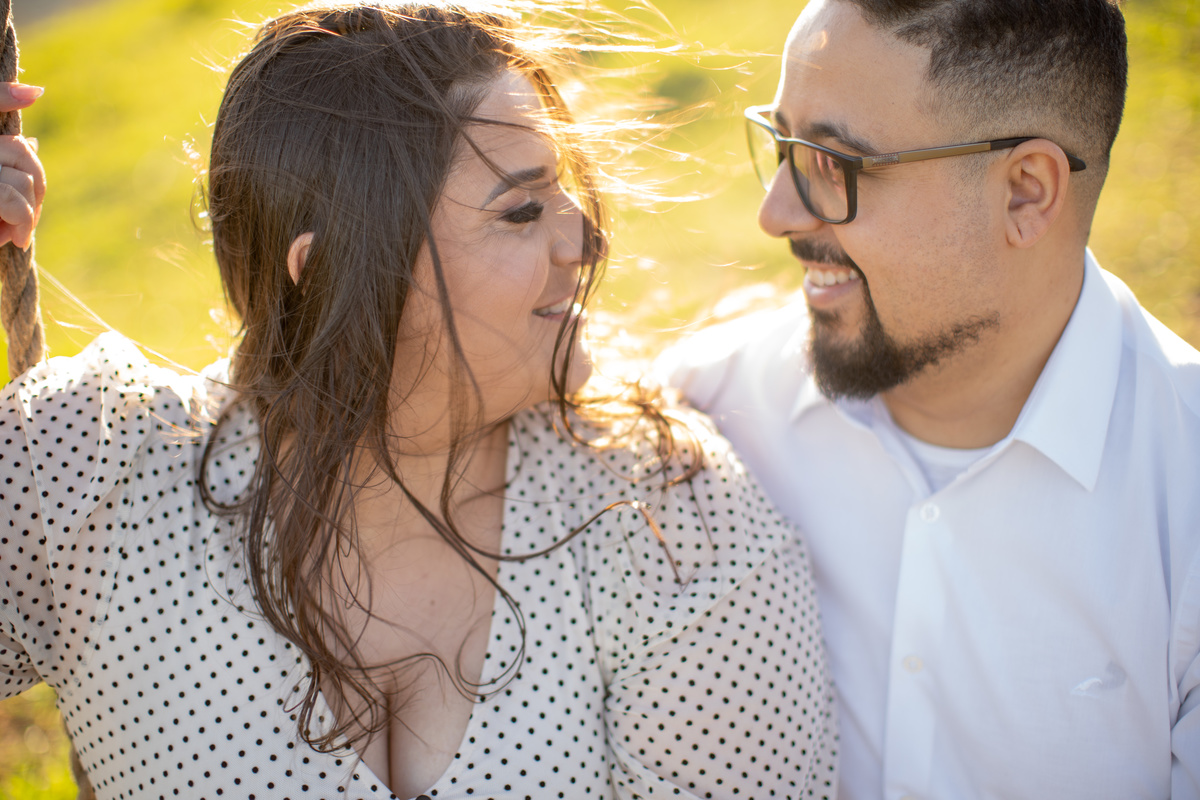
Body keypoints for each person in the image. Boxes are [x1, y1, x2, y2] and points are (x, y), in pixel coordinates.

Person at [0, 3, 839, 798]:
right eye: (520, 210)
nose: (585, 241)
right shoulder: (92, 469)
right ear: (331, 276)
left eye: (565, 191)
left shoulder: (669, 515)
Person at [660, 0, 1200, 797]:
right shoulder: (707, 416)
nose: (774, 213)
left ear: (1025, 192)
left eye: (831, 164)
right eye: (780, 144)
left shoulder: (1184, 491)